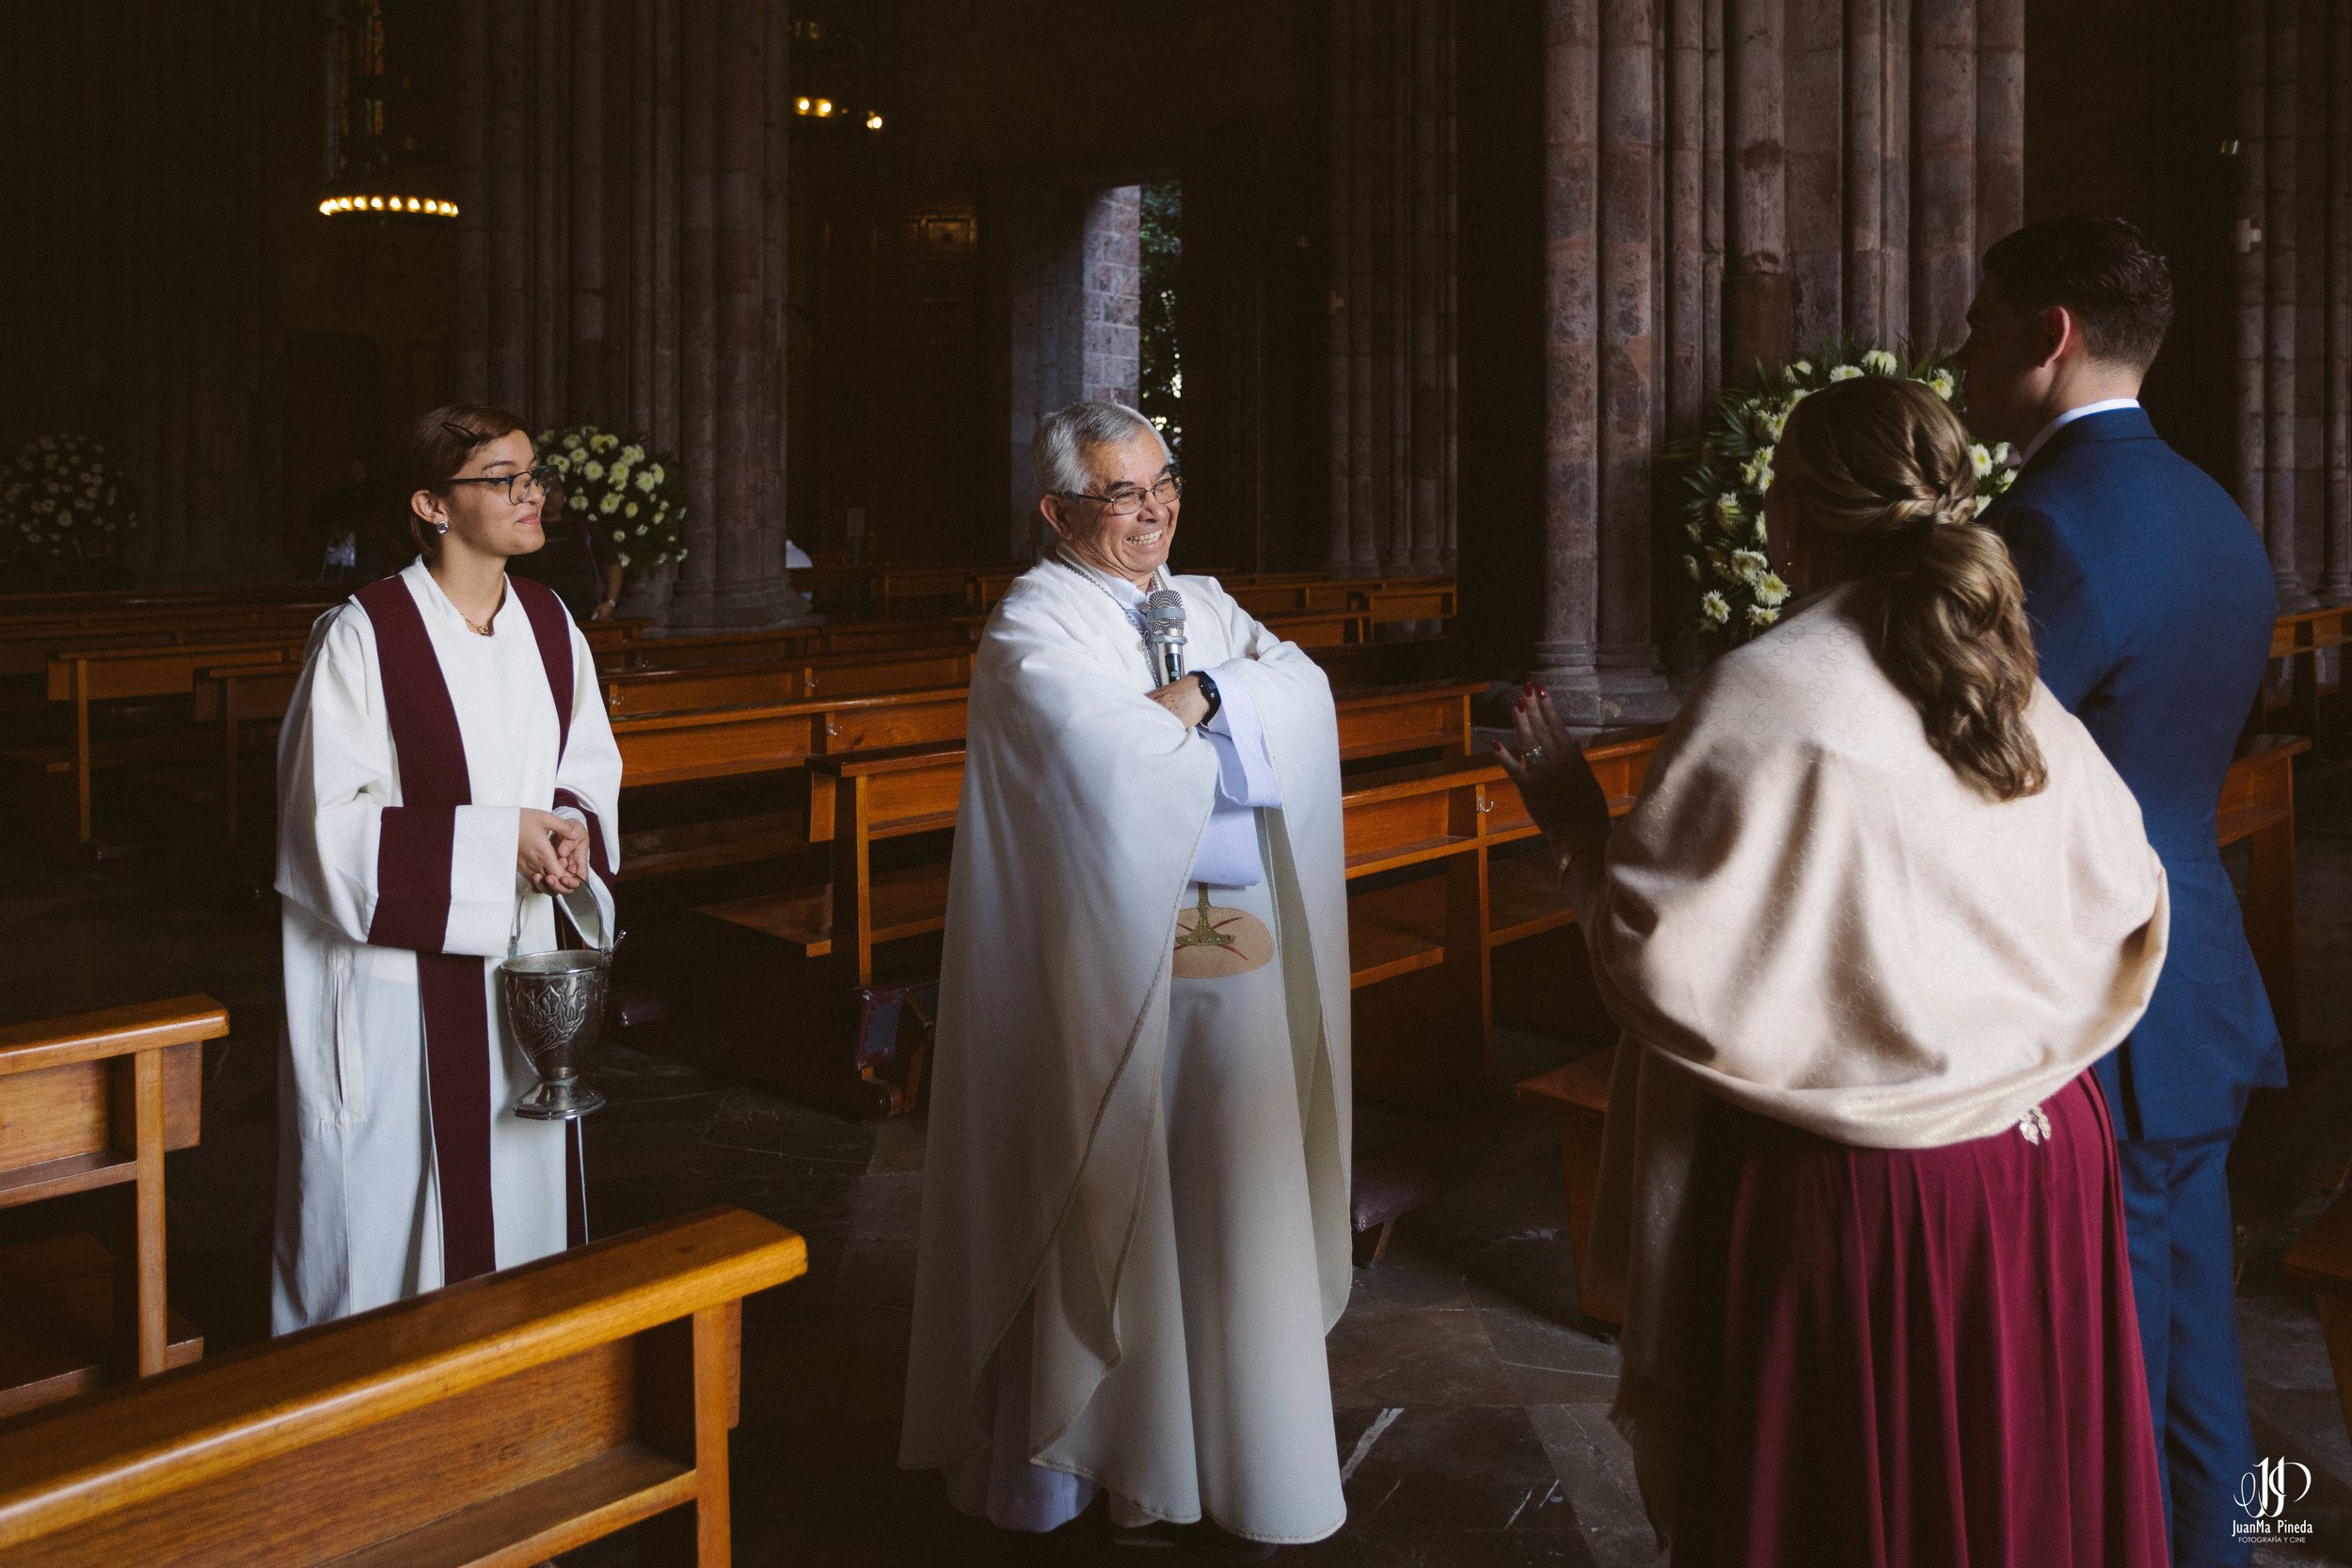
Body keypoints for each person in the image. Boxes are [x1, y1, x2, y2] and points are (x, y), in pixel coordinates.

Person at [1506, 374, 2172, 1566]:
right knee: (2012, 1483)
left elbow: (1660, 968)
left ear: (1794, 513)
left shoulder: (1767, 687)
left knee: (1848, 1501)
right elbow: (2127, 888)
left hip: (1862, 1190)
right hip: (2038, 1161)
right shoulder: (2001, 678)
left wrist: (1572, 826)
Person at [900, 402, 1354, 1562]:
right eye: (1120, 493)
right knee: (1118, 1185)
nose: (1151, 509)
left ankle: (1232, 1439)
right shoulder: (1029, 629)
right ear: (1058, 510)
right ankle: (1102, 1450)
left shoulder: (1198, 601)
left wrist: (1203, 696)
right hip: (1101, 974)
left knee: (1224, 1189)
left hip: (1226, 953)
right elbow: (1106, 777)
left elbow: (1300, 687)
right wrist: (1225, 714)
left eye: (1162, 484)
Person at [1956, 215, 2280, 1568]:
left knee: (2107, 1377)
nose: (1959, 349)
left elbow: (1964, 757)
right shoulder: (2214, 507)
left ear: (2050, 335)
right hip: (2194, 969)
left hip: (2098, 983)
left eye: (1980, 322)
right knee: (2198, 1359)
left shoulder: (2049, 524)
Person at [272, 404, 623, 1332]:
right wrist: (497, 835)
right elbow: (325, 829)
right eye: (504, 478)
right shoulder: (363, 634)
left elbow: (586, 771)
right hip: (395, 989)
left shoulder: (550, 625)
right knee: (397, 1221)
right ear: (432, 503)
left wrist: (573, 837)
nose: (532, 492)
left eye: (534, 474)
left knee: (521, 1211)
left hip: (522, 972)